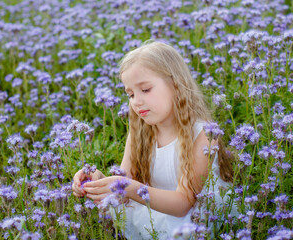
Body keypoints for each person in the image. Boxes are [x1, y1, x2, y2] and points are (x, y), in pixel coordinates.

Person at [72, 40, 235, 239]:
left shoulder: (203, 134)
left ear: (176, 85)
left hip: (192, 215)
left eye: (146, 90)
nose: (136, 101)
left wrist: (128, 187)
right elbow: (126, 179)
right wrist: (98, 180)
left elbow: (184, 203)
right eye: (130, 94)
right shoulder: (140, 131)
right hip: (155, 209)